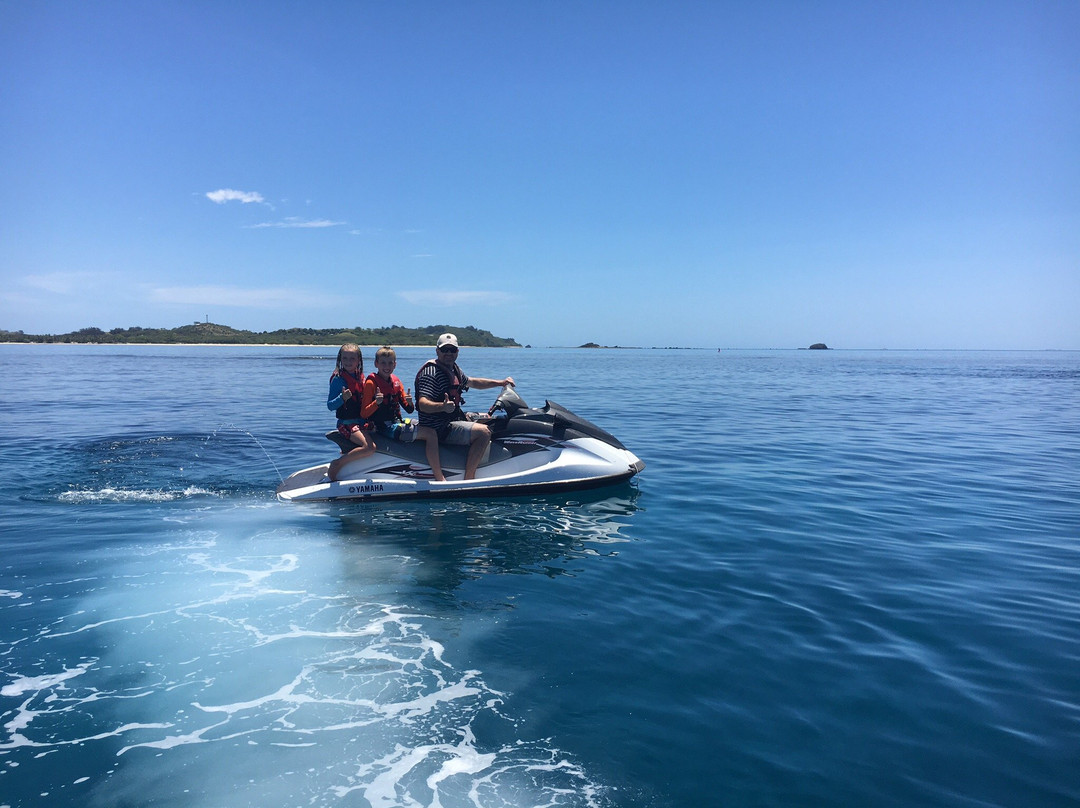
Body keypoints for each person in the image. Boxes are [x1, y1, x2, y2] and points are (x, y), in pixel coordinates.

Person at [415, 333, 514, 481]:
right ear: (437, 351)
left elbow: (473, 382)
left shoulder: (453, 369)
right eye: (445, 350)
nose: (449, 353)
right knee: (484, 432)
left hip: (453, 418)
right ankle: (469, 477)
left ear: (457, 351)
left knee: (490, 418)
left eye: (452, 350)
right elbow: (422, 404)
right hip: (439, 427)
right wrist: (442, 407)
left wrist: (500, 383)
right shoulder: (431, 373)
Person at [326, 343, 375, 481]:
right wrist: (342, 398)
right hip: (347, 423)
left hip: (363, 422)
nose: (348, 362)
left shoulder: (361, 378)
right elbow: (330, 406)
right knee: (369, 447)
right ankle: (337, 464)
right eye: (345, 358)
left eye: (352, 358)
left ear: (359, 360)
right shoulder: (338, 380)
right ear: (340, 359)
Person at [360, 347, 416, 441]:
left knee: (420, 425)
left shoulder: (396, 382)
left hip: (395, 422)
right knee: (416, 431)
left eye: (390, 363)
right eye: (383, 363)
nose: (387, 366)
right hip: (380, 427)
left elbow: (409, 410)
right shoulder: (371, 383)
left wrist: (410, 403)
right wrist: (377, 403)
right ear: (376, 364)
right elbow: (364, 414)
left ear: (395, 365)